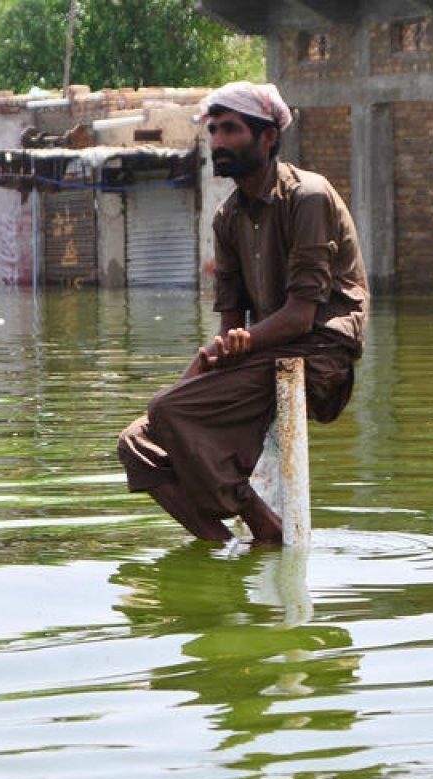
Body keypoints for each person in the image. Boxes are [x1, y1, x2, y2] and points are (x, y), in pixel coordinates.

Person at [117, 81, 369, 546]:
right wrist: (214, 357)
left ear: (268, 136)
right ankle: (228, 545)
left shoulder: (309, 196)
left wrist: (238, 346)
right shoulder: (226, 217)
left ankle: (257, 521)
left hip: (319, 352)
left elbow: (300, 317)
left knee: (167, 409)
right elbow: (231, 324)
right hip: (264, 355)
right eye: (213, 130)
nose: (217, 141)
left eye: (230, 129)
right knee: (137, 443)